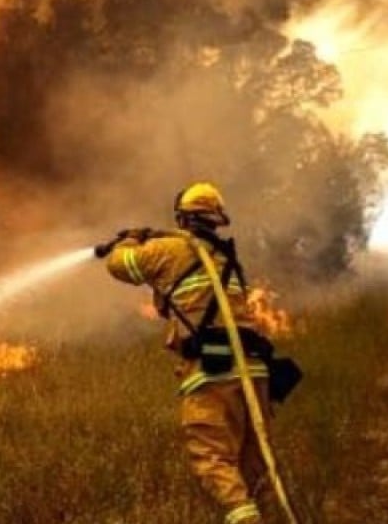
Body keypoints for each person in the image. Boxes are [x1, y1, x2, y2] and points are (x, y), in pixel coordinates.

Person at [102, 182, 274, 524]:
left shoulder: (170, 249)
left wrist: (129, 240)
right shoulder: (226, 258)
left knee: (211, 457)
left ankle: (246, 520)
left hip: (212, 372)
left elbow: (119, 265)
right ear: (215, 219)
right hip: (254, 371)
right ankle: (267, 514)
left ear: (181, 218)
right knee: (254, 462)